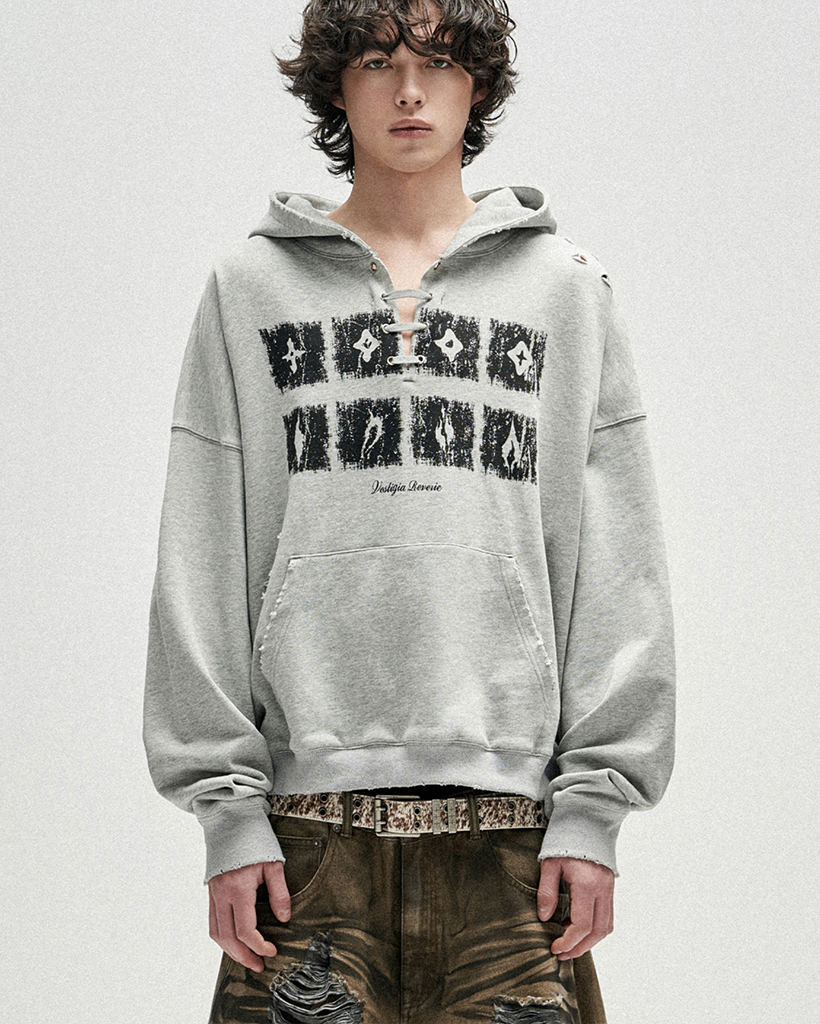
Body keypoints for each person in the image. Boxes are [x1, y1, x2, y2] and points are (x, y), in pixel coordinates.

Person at [143, 1, 676, 1021]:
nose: (410, 90)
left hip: (516, 843)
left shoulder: (565, 291)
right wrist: (226, 809)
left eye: (439, 61)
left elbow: (617, 559)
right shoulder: (250, 289)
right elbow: (202, 548)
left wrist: (596, 803)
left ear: (478, 85)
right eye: (378, 61)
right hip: (303, 843)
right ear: (335, 86)